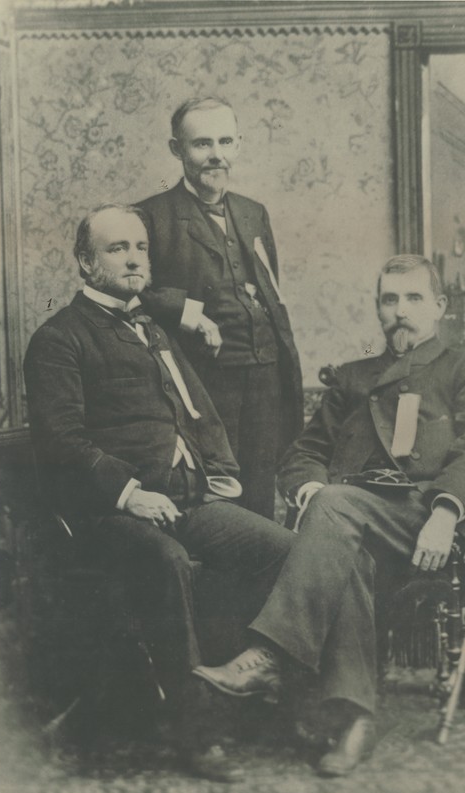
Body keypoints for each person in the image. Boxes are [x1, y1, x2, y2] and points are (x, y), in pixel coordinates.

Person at [193, 254, 465, 777]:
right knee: (343, 542)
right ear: (377, 309)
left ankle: (270, 657)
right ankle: (354, 722)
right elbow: (303, 453)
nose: (401, 311)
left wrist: (444, 513)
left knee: (337, 513)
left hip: (427, 515)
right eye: (389, 300)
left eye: (414, 298)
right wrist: (310, 488)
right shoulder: (354, 377)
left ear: (440, 307)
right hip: (349, 516)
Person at [23, 204, 294, 783]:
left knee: (284, 549)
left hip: (187, 500)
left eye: (141, 247)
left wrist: (220, 473)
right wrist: (126, 494)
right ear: (85, 263)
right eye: (118, 249)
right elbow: (62, 440)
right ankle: (197, 733)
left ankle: (261, 692)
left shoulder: (153, 327)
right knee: (167, 562)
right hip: (105, 514)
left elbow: (199, 409)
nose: (134, 258)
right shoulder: (59, 339)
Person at [137, 96, 303, 519]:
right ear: (177, 150)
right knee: (218, 493)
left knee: (261, 488)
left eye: (226, 142)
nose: (217, 155)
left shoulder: (253, 212)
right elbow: (132, 290)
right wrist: (187, 311)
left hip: (265, 371)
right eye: (202, 144)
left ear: (239, 144)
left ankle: (262, 581)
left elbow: (270, 293)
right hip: (204, 379)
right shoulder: (151, 216)